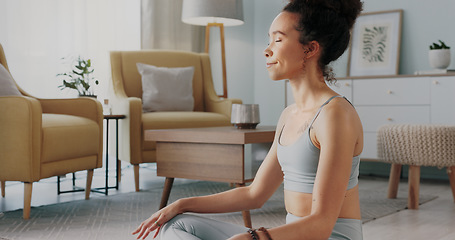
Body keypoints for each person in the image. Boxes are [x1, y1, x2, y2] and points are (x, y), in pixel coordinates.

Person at [132, 0, 363, 239]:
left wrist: (256, 237)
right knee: (177, 225)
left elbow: (321, 225)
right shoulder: (289, 115)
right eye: (269, 39)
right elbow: (255, 194)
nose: (267, 49)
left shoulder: (335, 115)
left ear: (310, 49)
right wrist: (181, 204)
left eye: (279, 39)